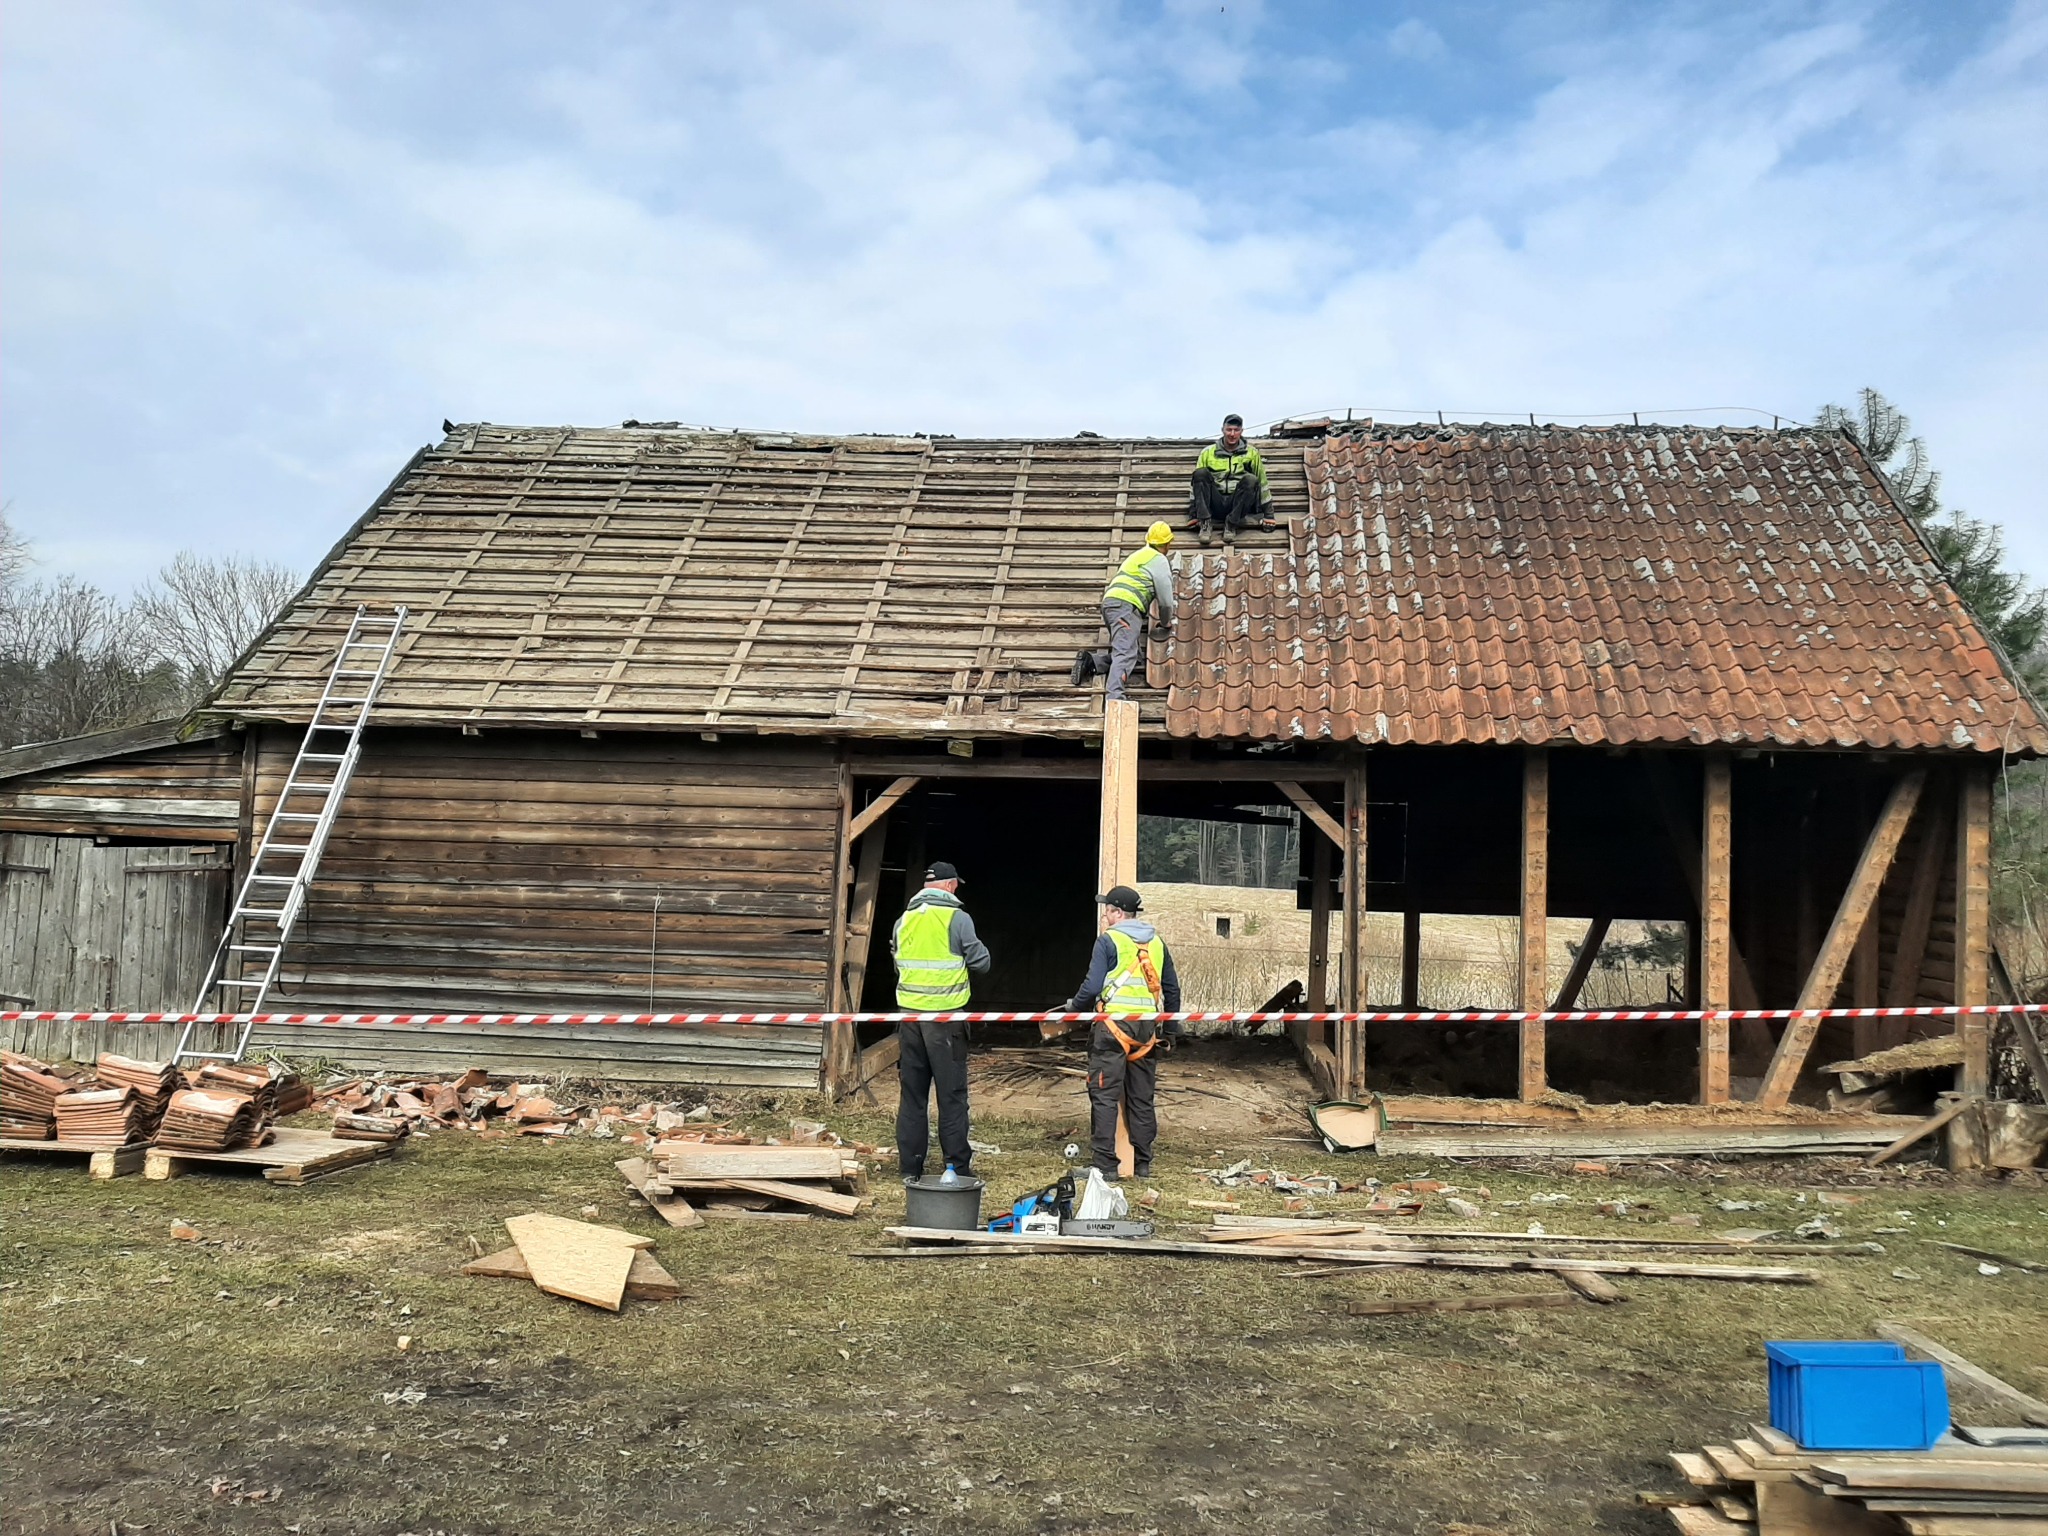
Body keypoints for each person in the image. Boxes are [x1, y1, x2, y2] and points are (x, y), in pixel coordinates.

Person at [1061, 884, 1182, 1181]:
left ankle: (1105, 1166)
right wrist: (1172, 1028)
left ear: (1117, 912)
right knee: (1141, 1096)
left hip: (1113, 1028)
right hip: (1145, 1030)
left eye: (1107, 909)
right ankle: (1142, 1163)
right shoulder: (1157, 943)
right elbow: (1172, 989)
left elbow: (1091, 987)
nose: (1104, 914)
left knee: (1103, 1094)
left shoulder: (1108, 941)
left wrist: (1074, 1009)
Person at [891, 861, 991, 1182]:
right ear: (950, 886)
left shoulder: (902, 921)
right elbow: (982, 962)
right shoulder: (957, 919)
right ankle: (957, 1167)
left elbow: (899, 966)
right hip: (946, 1020)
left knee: (913, 1096)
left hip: (909, 1019)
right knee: (951, 1096)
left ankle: (910, 1168)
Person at [1069, 520, 1175, 701]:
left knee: (1134, 656)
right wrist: (1165, 622)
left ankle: (1092, 662)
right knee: (1125, 654)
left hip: (1111, 603)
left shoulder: (1138, 555)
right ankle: (1115, 698)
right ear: (1166, 544)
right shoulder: (1159, 561)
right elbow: (1165, 601)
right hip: (1126, 607)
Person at [1190, 413, 1272, 545]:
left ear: (1241, 431)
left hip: (1237, 505)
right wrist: (1193, 514)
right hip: (1214, 502)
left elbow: (1262, 482)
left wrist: (1269, 515)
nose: (1232, 434)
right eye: (1229, 430)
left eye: (1236, 430)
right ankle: (1205, 524)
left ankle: (1231, 525)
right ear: (1222, 430)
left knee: (1251, 479)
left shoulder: (1251, 453)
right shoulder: (1208, 453)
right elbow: (1196, 485)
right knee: (1200, 473)